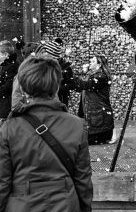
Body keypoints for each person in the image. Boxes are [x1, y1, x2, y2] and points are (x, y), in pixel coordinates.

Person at [0, 56, 93, 212]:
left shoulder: (10, 128)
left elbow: (2, 182)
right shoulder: (76, 125)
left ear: (23, 87)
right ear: (56, 86)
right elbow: (83, 179)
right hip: (65, 204)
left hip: (22, 205)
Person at [74, 55, 116, 145]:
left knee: (83, 141)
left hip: (98, 116)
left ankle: (107, 136)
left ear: (99, 65)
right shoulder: (90, 74)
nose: (90, 62)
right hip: (93, 114)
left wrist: (71, 77)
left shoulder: (101, 77)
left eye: (93, 61)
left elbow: (85, 85)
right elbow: (81, 87)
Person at [0, 40, 19, 119]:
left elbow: (7, 88)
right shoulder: (6, 65)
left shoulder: (12, 67)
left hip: (6, 107)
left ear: (5, 54)